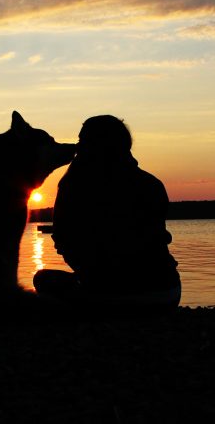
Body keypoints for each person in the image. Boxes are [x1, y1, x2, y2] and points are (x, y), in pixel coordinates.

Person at [33, 115, 180, 313]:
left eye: (82, 141)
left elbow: (64, 242)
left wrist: (91, 275)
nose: (77, 147)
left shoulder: (75, 185)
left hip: (114, 296)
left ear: (90, 146)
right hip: (167, 293)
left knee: (43, 279)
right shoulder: (152, 183)